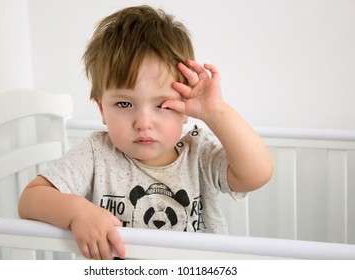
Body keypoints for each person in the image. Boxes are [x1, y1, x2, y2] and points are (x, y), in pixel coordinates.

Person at [18, 5, 273, 260]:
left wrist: (216, 112)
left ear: (186, 109)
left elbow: (257, 175)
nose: (143, 123)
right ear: (102, 109)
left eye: (162, 105)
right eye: (124, 104)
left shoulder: (199, 154)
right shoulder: (96, 153)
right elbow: (30, 199)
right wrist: (76, 211)